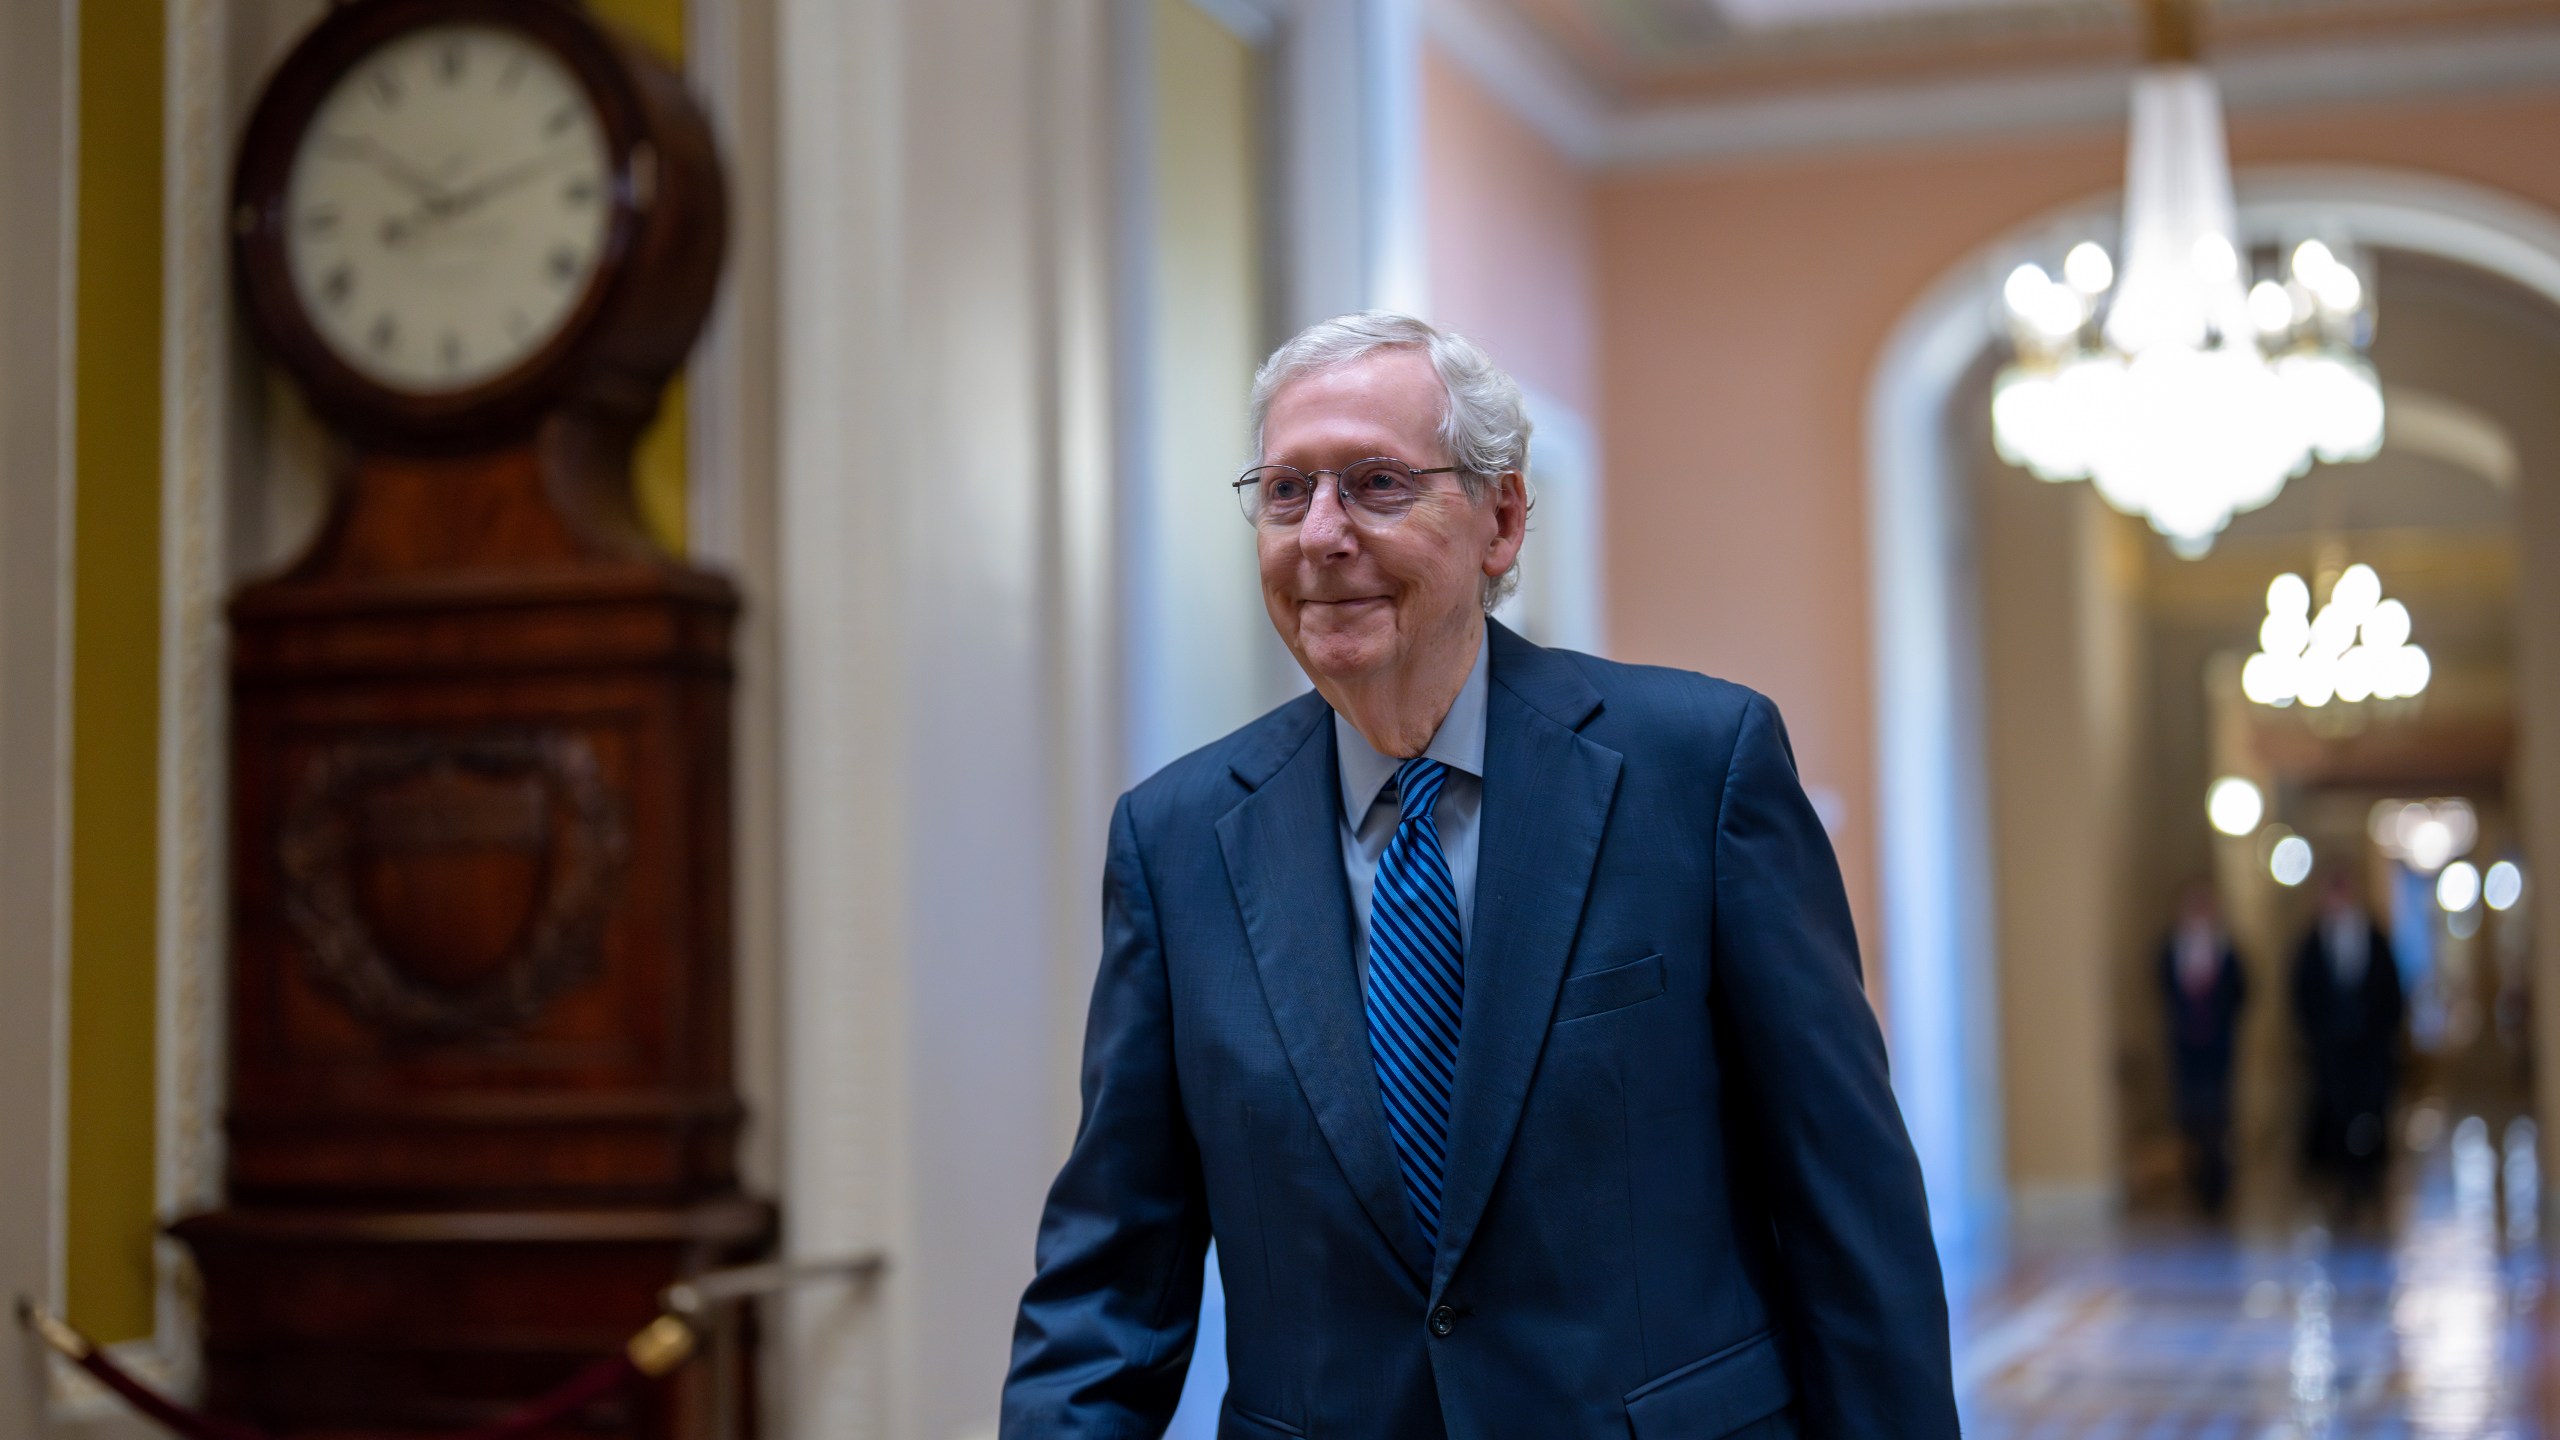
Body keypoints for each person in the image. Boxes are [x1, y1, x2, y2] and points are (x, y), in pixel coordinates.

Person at [1001, 313, 1956, 1438]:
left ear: (1501, 519)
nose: (1320, 533)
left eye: (1374, 484)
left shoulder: (1698, 771)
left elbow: (1847, 1216)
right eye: (1284, 490)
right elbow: (1113, 1277)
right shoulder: (1175, 842)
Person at [2291, 867, 2405, 1222]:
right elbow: (2301, 994)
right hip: (2332, 1051)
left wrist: (2381, 1032)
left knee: (2369, 1116)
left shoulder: (2374, 938)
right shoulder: (2313, 942)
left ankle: (2368, 1178)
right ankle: (2345, 1185)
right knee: (2337, 1117)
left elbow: (2392, 993)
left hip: (2369, 1050)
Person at [2158, 883, 2246, 1216]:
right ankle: (2197, 1181)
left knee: (2218, 1117)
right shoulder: (2172, 950)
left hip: (2218, 1051)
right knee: (2191, 1117)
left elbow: (2241, 990)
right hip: (2186, 1052)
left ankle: (2217, 1184)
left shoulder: (2225, 951)